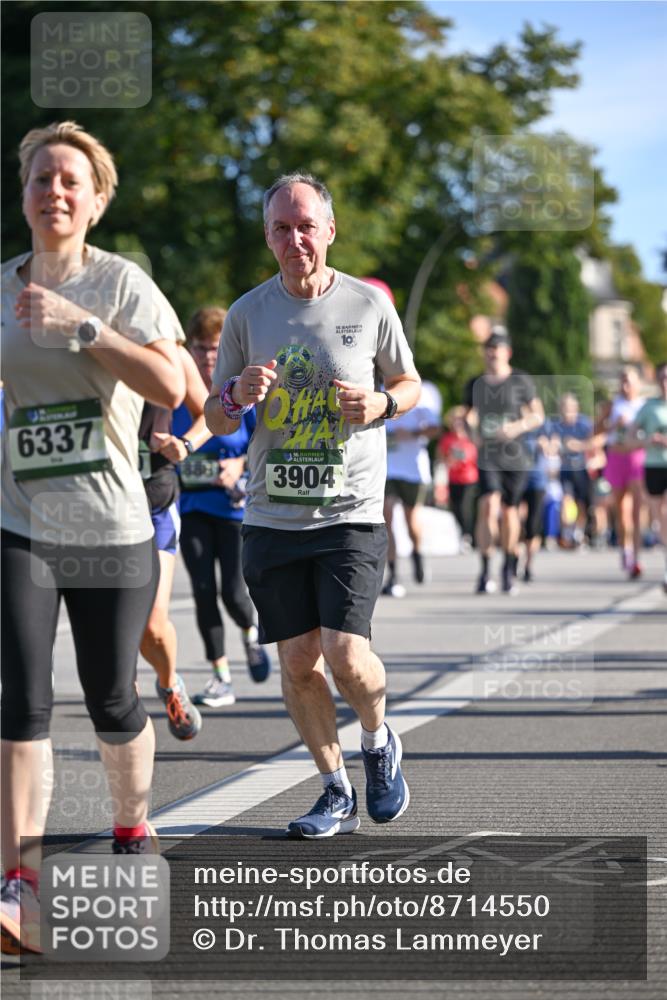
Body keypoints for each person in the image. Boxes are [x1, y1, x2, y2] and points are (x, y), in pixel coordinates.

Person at [1, 121, 185, 953]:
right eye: (42, 178)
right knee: (21, 700)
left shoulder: (123, 285)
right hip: (20, 525)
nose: (55, 192)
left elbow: (171, 386)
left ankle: (131, 826)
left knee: (112, 698)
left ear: (97, 199)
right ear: (26, 192)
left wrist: (83, 328)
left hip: (110, 525)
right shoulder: (1, 287)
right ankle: (20, 880)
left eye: (71, 179)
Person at [204, 173, 421, 838]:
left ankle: (379, 739)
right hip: (271, 514)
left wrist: (382, 403)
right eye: (280, 227)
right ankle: (333, 790)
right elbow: (213, 416)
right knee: (298, 660)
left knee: (345, 652)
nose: (293, 238)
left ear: (328, 229)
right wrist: (237, 394)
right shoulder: (246, 313)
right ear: (266, 235)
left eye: (305, 225)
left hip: (349, 509)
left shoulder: (367, 303)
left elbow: (409, 382)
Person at [173, 307, 271, 707]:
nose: (207, 357)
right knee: (201, 591)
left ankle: (250, 632)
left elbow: (260, 440)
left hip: (234, 509)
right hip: (194, 504)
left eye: (214, 348)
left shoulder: (234, 391)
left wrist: (240, 464)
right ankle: (220, 677)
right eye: (200, 348)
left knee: (232, 592)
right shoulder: (176, 391)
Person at [138, 340, 212, 740]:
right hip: (97, 504)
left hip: (155, 496)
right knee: (110, 625)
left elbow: (210, 411)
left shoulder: (168, 349)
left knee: (151, 625)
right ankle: (122, 706)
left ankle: (169, 684)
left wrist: (185, 444)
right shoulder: (84, 344)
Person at [463, 325, 544, 595]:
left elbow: (538, 416)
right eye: (488, 349)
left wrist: (517, 427)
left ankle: (509, 566)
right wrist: (470, 429)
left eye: (496, 349)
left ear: (507, 352)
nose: (492, 354)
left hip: (516, 455)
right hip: (488, 455)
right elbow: (467, 417)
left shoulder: (520, 380)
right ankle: (485, 568)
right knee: (488, 505)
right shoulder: (475, 383)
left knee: (510, 511)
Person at [382, 379, 442, 595]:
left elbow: (436, 428)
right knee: (386, 518)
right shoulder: (376, 388)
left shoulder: (424, 390)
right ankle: (393, 574)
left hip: (412, 469)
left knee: (411, 521)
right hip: (386, 468)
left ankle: (417, 554)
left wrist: (413, 434)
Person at [625, 362, 667, 591]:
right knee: (660, 518)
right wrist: (647, 441)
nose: (665, 382)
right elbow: (629, 439)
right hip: (654, 466)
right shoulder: (648, 407)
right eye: (661, 378)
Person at [602, 367, 646, 578]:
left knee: (636, 511)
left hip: (636, 457)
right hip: (616, 457)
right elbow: (597, 430)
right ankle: (625, 549)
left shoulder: (644, 406)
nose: (625, 386)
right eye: (622, 381)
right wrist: (612, 425)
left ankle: (636, 556)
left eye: (629, 381)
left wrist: (633, 428)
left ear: (639, 384)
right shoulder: (612, 405)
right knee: (621, 511)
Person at [550, 393, 594, 548]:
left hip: (582, 469)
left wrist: (577, 445)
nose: (566, 411)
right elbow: (552, 445)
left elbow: (594, 443)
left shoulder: (585, 423)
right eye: (564, 408)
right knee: (566, 500)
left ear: (576, 408)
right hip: (565, 470)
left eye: (569, 407)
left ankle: (579, 532)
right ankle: (567, 532)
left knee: (581, 503)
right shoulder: (556, 426)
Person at [437, 406, 479, 548]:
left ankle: (468, 535)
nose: (457, 424)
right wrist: (449, 461)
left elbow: (477, 456)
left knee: (465, 507)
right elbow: (441, 458)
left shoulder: (471, 437)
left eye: (459, 421)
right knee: (455, 507)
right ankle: (463, 534)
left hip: (469, 478)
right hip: (453, 478)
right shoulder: (447, 439)